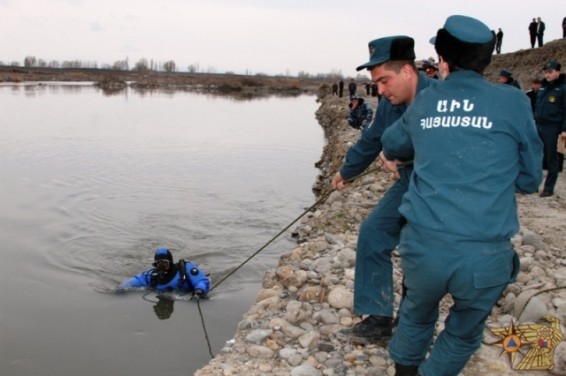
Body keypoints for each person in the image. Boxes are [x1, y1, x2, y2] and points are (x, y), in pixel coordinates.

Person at [379, 15, 543, 376]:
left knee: (416, 314)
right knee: (464, 330)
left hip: (424, 248)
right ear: (486, 59)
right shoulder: (513, 101)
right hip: (483, 253)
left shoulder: (426, 99)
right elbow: (531, 179)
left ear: (442, 59)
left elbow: (392, 143)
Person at [331, 35, 437, 342]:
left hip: (437, 188)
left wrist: (401, 159)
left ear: (407, 71)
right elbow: (373, 137)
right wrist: (346, 171)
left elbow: (448, 150)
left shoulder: (441, 99)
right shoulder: (391, 103)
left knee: (418, 250)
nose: (380, 90)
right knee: (374, 232)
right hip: (408, 182)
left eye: (384, 81)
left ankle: (412, 322)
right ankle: (377, 317)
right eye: (376, 83)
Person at [119, 248, 210, 298]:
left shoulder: (185, 269)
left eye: (165, 264)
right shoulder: (152, 276)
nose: (161, 267)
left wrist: (199, 290)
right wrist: (123, 287)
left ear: (170, 263)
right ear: (155, 265)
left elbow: (202, 280)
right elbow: (137, 280)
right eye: (158, 264)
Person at [535, 60, 566, 197]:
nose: (547, 75)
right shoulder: (543, 87)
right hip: (539, 124)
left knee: (551, 158)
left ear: (557, 72)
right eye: (546, 72)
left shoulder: (563, 88)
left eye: (550, 72)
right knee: (535, 154)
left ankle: (548, 188)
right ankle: (533, 183)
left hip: (553, 127)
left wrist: (564, 129)